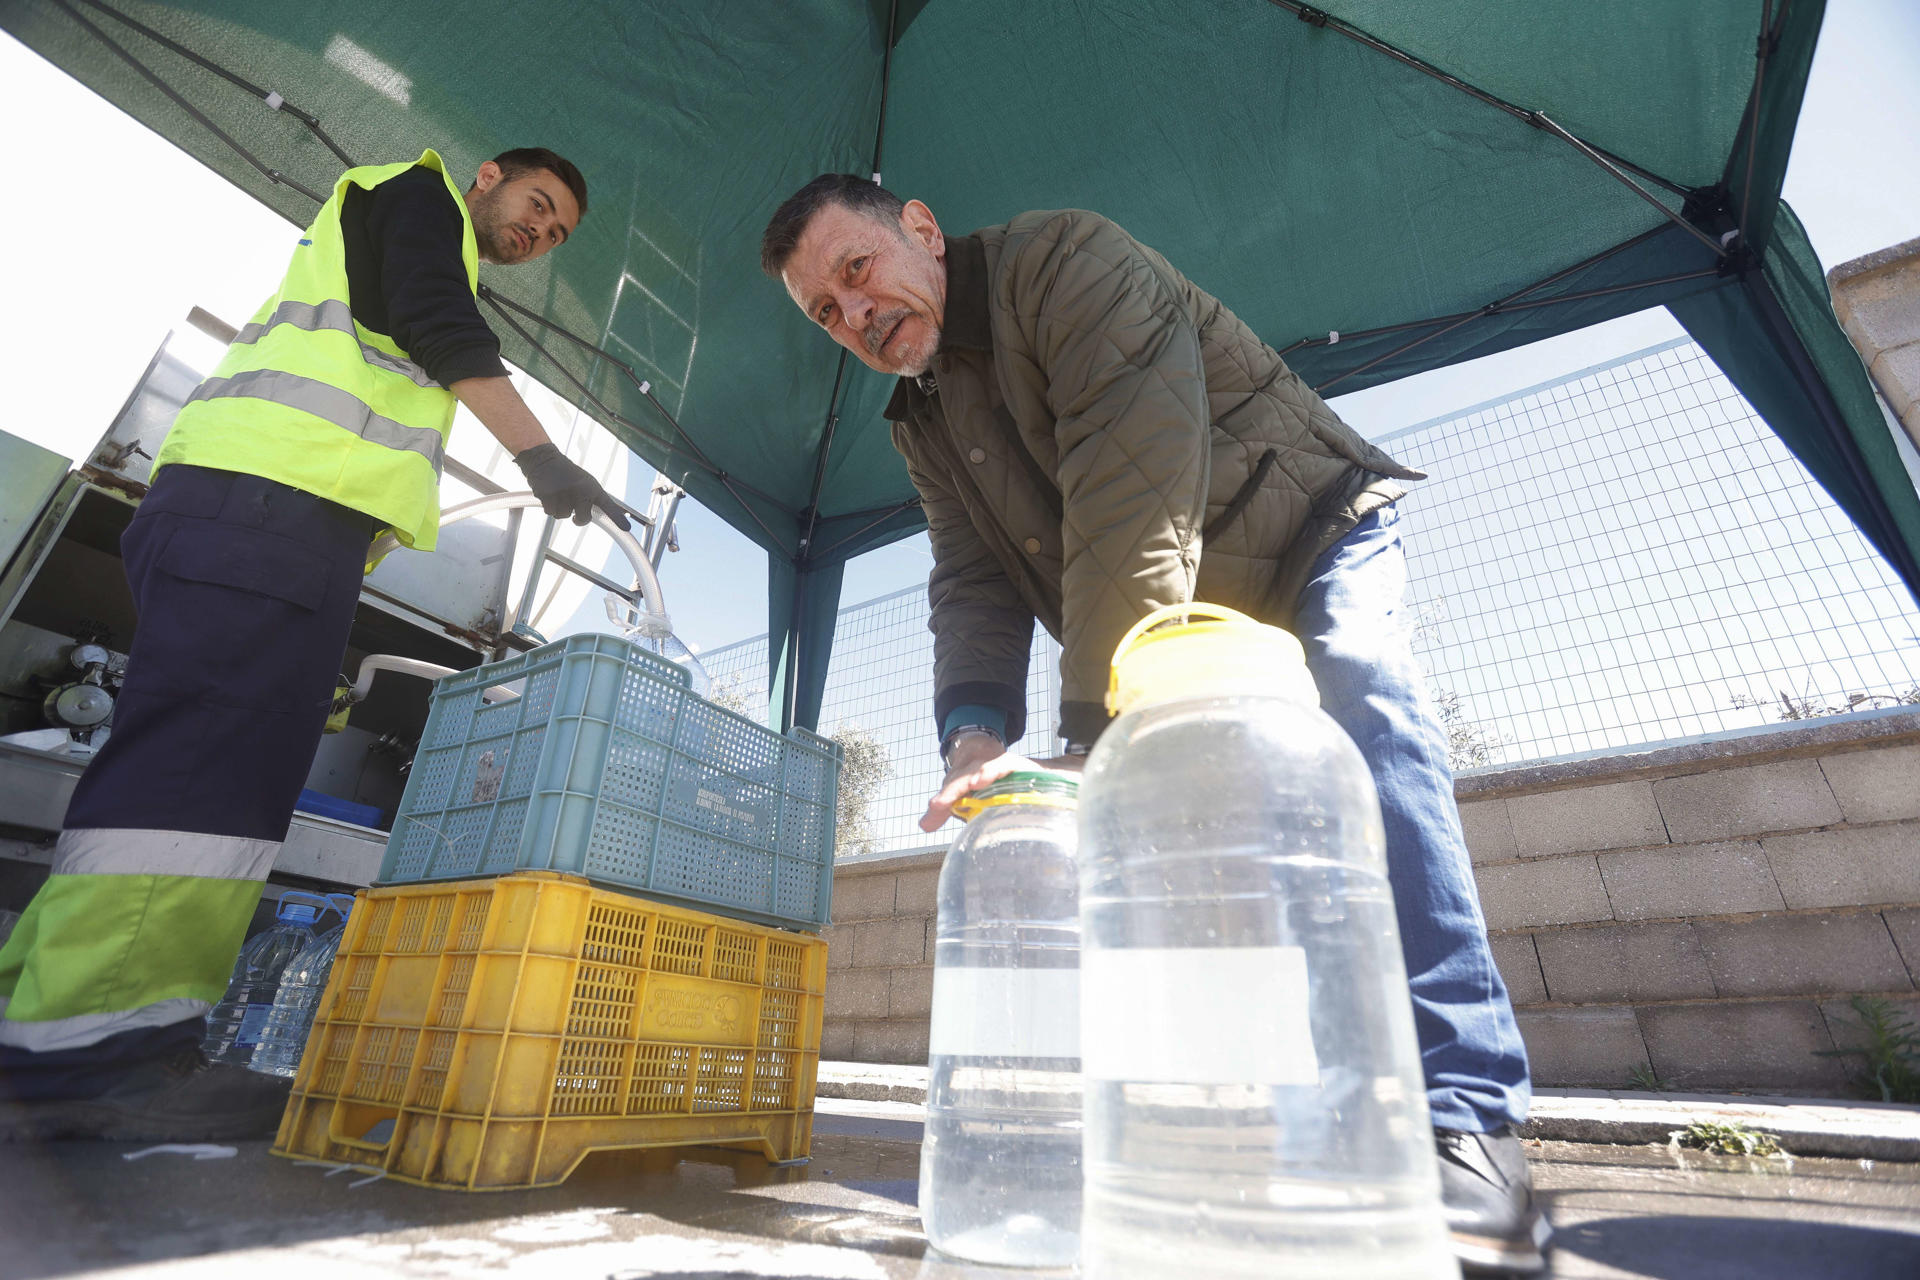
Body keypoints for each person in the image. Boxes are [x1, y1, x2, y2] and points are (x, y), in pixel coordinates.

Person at [762, 174, 1548, 1276]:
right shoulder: (923, 417)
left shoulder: (1066, 262)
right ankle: (1297, 1118)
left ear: (924, 232)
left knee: (1364, 705)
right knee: (1213, 842)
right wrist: (974, 733)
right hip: (1159, 615)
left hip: (1304, 539)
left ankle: (1467, 1115)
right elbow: (971, 578)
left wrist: (1091, 734)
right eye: (828, 314)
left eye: (858, 271)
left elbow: (1137, 484)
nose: (858, 315)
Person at [0, 146, 627, 1142]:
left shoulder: (409, 234)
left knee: (187, 770)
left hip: (264, 515)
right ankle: (100, 1056)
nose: (536, 234)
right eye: (538, 206)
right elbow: (436, 318)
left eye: (551, 236)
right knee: (203, 784)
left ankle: (46, 1025)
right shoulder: (415, 198)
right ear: (488, 174)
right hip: (269, 510)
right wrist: (541, 455)